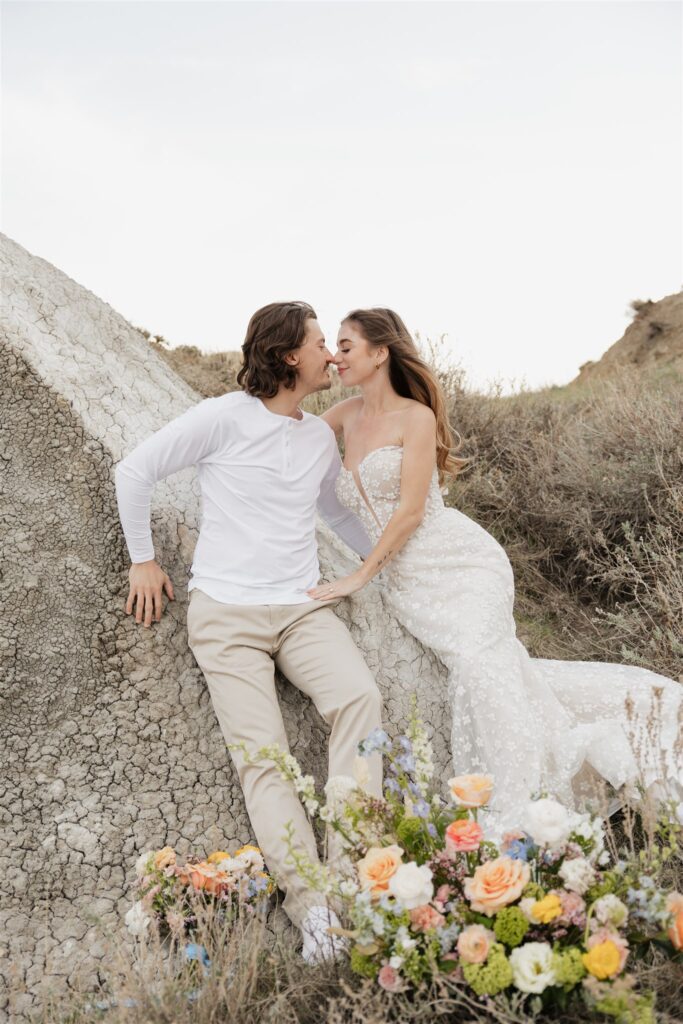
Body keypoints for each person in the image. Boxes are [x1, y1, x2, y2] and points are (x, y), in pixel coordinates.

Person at [310, 306, 682, 834]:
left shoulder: (414, 417)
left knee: (478, 668)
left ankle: (521, 815)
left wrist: (359, 575)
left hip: (460, 563)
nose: (335, 356)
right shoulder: (344, 414)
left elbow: (411, 511)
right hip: (407, 580)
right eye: (333, 347)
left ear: (380, 352)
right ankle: (579, 762)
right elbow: (287, 444)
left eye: (345, 346)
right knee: (502, 671)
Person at [115, 301, 383, 961]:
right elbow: (134, 471)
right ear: (290, 355)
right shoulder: (222, 417)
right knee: (264, 759)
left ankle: (352, 882)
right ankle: (312, 906)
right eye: (322, 343)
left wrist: (384, 557)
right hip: (227, 615)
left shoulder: (319, 435)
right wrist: (142, 559)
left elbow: (330, 511)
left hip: (299, 607)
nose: (332, 354)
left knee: (360, 701)